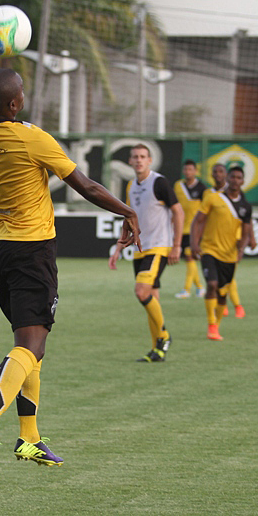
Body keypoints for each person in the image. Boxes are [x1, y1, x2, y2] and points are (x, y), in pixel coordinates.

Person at [0, 68, 140, 480]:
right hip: (31, 251)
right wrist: (128, 210)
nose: (24, 96)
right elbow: (84, 185)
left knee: (34, 344)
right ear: (14, 104)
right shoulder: (34, 138)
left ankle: (28, 437)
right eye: (22, 93)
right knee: (29, 345)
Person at [108, 144, 183, 362]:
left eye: (143, 157)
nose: (139, 160)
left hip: (158, 247)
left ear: (149, 160)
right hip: (140, 250)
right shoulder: (131, 186)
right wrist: (118, 248)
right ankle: (157, 350)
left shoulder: (159, 182)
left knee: (141, 292)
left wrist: (177, 245)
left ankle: (164, 336)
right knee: (153, 299)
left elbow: (178, 211)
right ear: (130, 161)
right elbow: (129, 219)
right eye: (135, 157)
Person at [191, 165, 252, 341]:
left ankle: (216, 327)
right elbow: (198, 221)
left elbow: (246, 230)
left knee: (223, 294)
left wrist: (241, 248)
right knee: (211, 285)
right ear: (228, 178)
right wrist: (195, 243)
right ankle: (211, 324)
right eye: (232, 177)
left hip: (229, 255)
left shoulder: (245, 206)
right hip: (209, 250)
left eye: (239, 178)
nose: (235, 180)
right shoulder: (213, 198)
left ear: (243, 181)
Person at [205, 163, 249, 318]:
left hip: (232, 240)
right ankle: (223, 306)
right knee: (213, 281)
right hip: (212, 241)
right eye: (215, 171)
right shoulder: (209, 194)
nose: (218, 174)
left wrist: (249, 239)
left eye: (221, 171)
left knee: (228, 278)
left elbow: (246, 220)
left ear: (225, 175)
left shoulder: (238, 195)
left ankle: (237, 305)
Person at [173, 159, 206, 299]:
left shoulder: (202, 189)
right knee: (189, 259)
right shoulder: (178, 186)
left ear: (196, 171)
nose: (188, 172)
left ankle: (186, 290)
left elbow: (206, 210)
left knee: (189, 257)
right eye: (186, 169)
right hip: (181, 228)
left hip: (195, 230)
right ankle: (199, 287)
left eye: (190, 169)